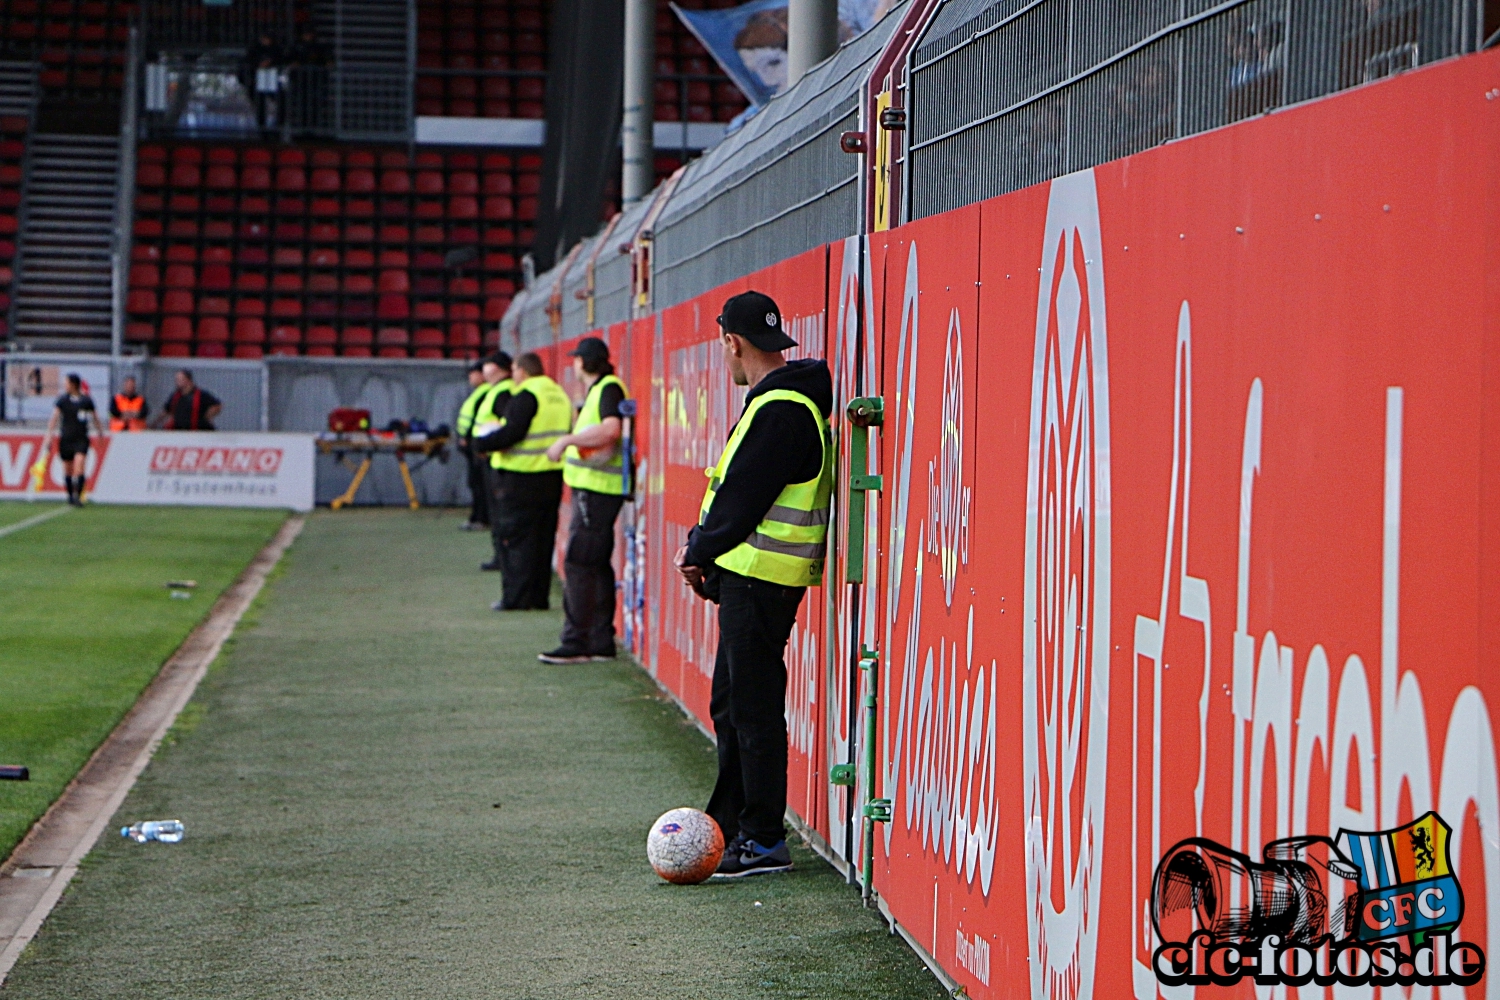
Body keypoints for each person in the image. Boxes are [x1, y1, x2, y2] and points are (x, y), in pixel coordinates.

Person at [675, 290, 833, 878]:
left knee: (752, 707)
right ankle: (737, 826)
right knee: (734, 703)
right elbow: (740, 496)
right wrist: (709, 555)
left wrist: (697, 550)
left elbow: (741, 498)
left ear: (732, 342)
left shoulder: (779, 410)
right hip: (749, 575)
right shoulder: (780, 403)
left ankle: (762, 837)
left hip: (762, 580)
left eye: (724, 347)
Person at [538, 337, 630, 664]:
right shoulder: (604, 389)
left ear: (583, 362)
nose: (574, 364)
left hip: (597, 491)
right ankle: (599, 639)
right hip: (595, 490)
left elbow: (610, 430)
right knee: (594, 564)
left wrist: (568, 440)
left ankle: (577, 641)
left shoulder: (607, 389)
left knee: (579, 564)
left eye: (577, 359)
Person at [473, 352, 571, 610]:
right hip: (551, 475)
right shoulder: (559, 394)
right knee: (542, 539)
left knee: (516, 541)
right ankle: (538, 597)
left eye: (515, 370)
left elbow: (513, 432)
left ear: (522, 371)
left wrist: (483, 443)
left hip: (520, 478)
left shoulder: (527, 394)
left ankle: (516, 599)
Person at [471, 352, 514, 565]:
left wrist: (486, 444)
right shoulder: (495, 390)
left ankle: (501, 556)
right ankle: (500, 555)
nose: (483, 370)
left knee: (499, 512)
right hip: (491, 456)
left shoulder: (503, 392)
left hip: (496, 459)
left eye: (487, 365)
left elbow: (502, 427)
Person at [45, 373, 103, 505]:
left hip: (81, 439)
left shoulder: (86, 401)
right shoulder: (62, 400)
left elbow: (95, 417)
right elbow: (54, 419)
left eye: (66, 383)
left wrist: (100, 432)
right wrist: (49, 436)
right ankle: (70, 496)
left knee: (79, 466)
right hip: (66, 439)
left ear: (73, 385)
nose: (65, 385)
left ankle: (78, 496)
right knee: (68, 469)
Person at [455, 361, 493, 532]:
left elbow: (478, 419)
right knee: (475, 483)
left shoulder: (486, 393)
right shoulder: (480, 393)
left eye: (473, 373)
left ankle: (482, 518)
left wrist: (468, 438)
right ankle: (477, 516)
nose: (470, 377)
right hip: (472, 445)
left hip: (477, 445)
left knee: (479, 484)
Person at [157, 370, 221, 430]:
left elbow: (217, 405)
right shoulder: (176, 396)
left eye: (180, 379)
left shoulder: (201, 395)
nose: (176, 382)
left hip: (197, 431)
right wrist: (155, 423)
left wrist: (208, 417)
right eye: (176, 379)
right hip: (179, 430)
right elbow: (167, 410)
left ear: (188, 380)